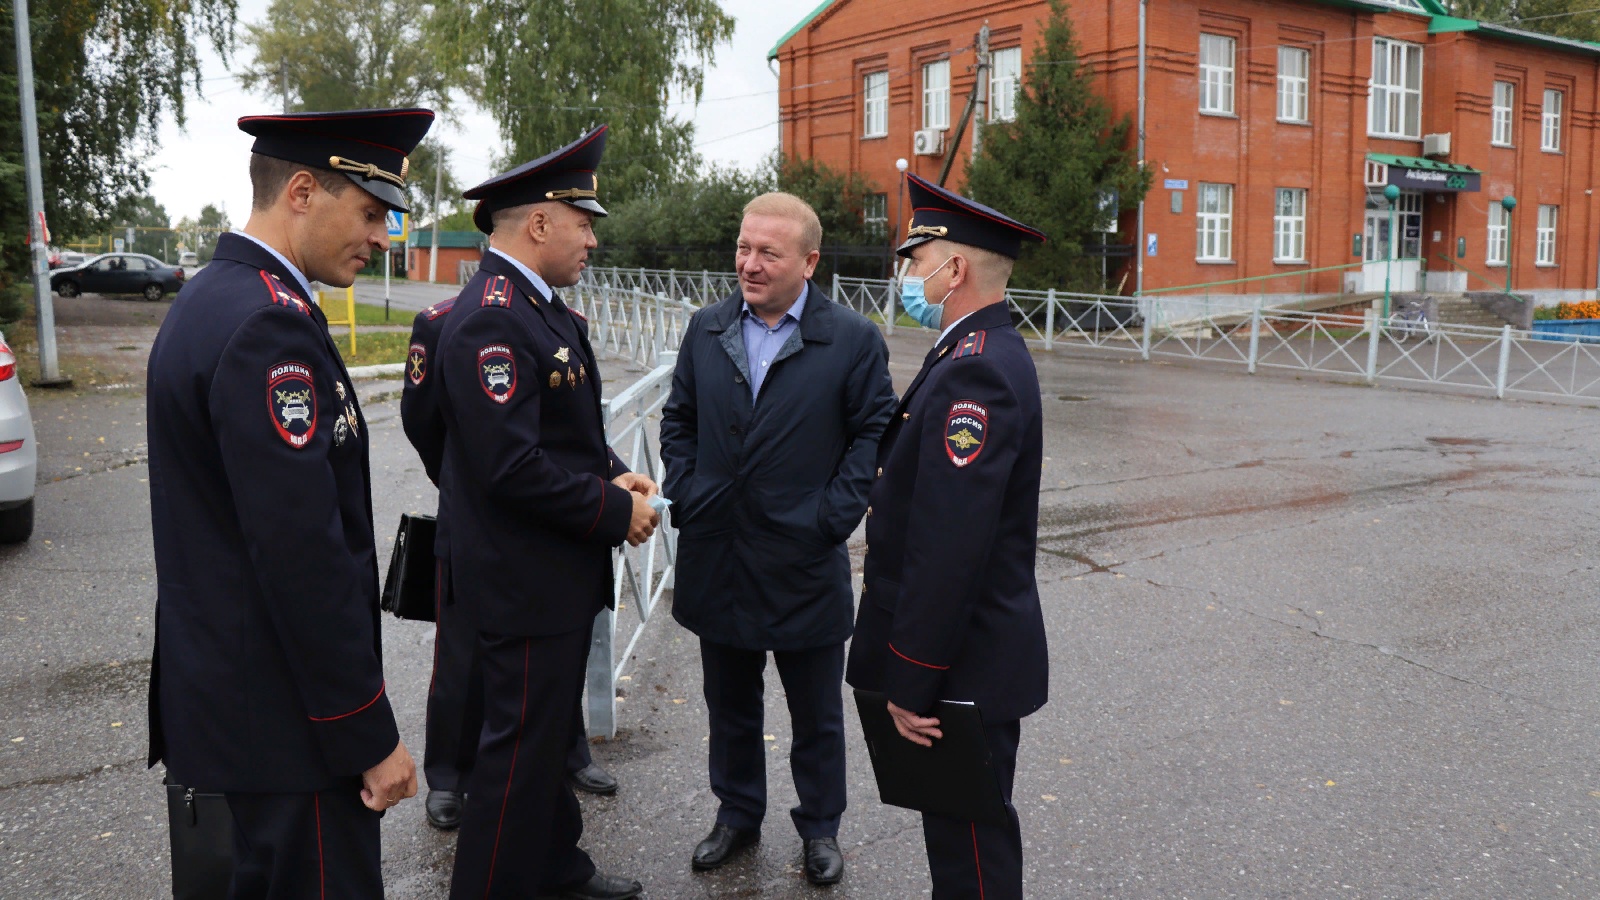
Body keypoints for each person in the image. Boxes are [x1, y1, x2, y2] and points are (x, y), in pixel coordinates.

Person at [145, 107, 435, 898]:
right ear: (303, 191)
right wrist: (366, 736)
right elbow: (302, 555)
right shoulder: (267, 324)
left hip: (246, 713)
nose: (384, 237)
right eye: (371, 212)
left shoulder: (221, 299)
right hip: (287, 733)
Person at [436, 125, 656, 900]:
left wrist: (618, 474)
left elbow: (566, 437)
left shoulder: (541, 310)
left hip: (550, 576)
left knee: (543, 750)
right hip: (521, 582)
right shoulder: (495, 317)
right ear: (539, 224)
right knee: (513, 764)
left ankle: (560, 871)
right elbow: (507, 465)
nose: (592, 238)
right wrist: (609, 512)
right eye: (584, 222)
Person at [659, 192, 897, 884]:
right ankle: (736, 813)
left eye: (768, 252)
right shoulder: (707, 328)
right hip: (718, 552)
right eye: (743, 247)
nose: (749, 263)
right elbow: (679, 420)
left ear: (809, 261)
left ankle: (821, 828)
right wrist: (692, 490)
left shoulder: (851, 339)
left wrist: (832, 517)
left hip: (803, 559)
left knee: (816, 714)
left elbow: (874, 434)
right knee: (729, 704)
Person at [844, 173, 1051, 900]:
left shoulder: (977, 373)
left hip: (958, 668)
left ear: (953, 269)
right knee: (966, 845)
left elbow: (949, 545)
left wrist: (912, 678)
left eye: (914, 260)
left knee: (971, 859)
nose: (906, 275)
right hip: (964, 659)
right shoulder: (970, 352)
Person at [402, 289, 621, 833]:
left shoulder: (564, 321)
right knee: (461, 658)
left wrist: (612, 476)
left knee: (556, 656)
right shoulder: (445, 322)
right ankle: (450, 774)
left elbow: (574, 430)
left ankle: (567, 754)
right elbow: (424, 421)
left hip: (552, 526)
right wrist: (463, 483)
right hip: (479, 524)